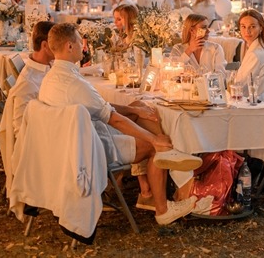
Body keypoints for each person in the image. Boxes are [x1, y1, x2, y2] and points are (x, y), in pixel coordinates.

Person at [39, 23, 200, 224]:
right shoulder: (74, 84)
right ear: (69, 46)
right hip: (91, 148)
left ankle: (147, 191)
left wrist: (134, 109)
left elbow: (101, 106)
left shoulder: (52, 78)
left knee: (141, 106)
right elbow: (113, 118)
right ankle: (162, 209)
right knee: (152, 147)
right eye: (80, 42)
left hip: (70, 143)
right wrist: (154, 139)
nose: (84, 46)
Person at [5, 21, 56, 139]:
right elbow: (20, 130)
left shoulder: (47, 66)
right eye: (57, 43)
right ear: (45, 45)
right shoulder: (28, 83)